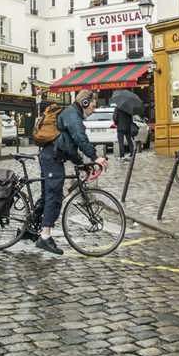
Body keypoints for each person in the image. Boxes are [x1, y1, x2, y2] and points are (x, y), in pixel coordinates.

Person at [34, 89, 108, 254]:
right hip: (52, 159)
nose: (93, 110)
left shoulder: (72, 114)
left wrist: (81, 163)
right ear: (85, 102)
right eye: (93, 106)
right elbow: (79, 137)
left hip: (52, 157)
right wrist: (95, 157)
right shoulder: (72, 114)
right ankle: (44, 237)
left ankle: (32, 228)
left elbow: (70, 147)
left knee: (48, 195)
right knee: (54, 195)